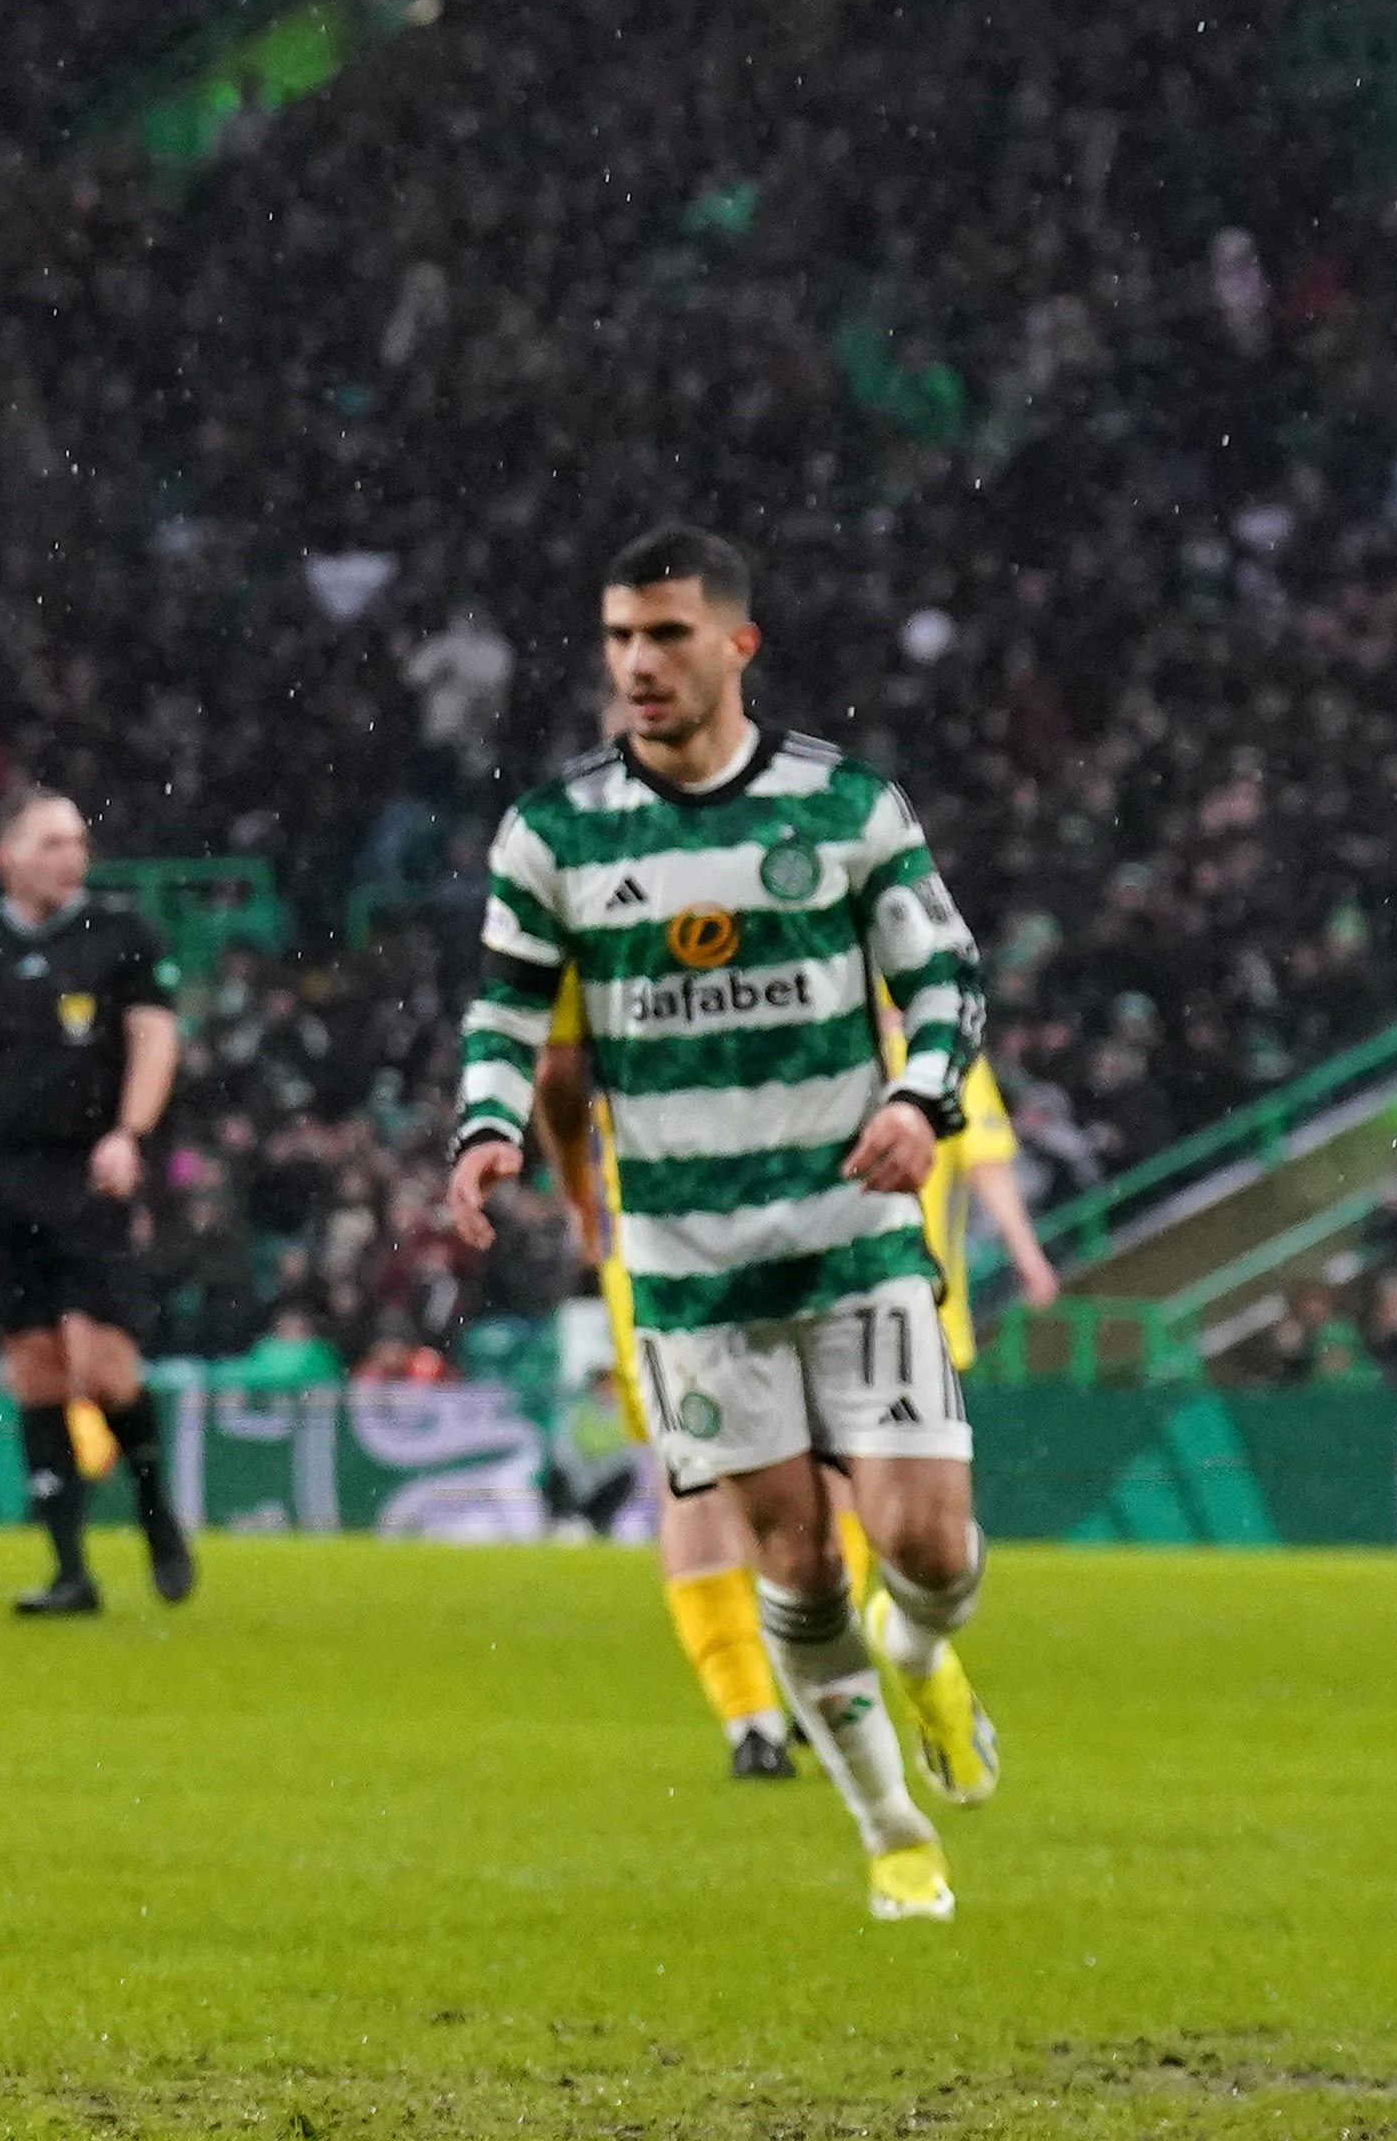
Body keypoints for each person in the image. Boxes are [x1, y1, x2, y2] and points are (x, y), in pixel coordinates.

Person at [447, 525, 1001, 1922]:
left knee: (923, 1545)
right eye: (619, 637)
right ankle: (889, 1834)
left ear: (735, 645)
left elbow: (946, 980)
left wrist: (919, 1101)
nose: (637, 663)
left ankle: (923, 1653)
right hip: (688, 1267)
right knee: (795, 1558)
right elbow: (506, 1014)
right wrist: (484, 1125)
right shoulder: (553, 834)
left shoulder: (843, 808)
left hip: (851, 1235)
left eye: (666, 635)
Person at [535, 965, 1054, 1784]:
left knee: (735, 1482)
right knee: (729, 1480)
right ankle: (771, 1707)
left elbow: (562, 1072)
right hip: (730, 1261)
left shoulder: (650, 935)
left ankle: (789, 1698)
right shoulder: (819, 982)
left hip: (752, 1256)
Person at [0, 789, 186, 1614]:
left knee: (101, 1366)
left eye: (78, 841)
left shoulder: (122, 937)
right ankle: (69, 1570)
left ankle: (156, 1509)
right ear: (6, 855)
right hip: (1, 1178)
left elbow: (154, 1037)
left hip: (88, 1173)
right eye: (51, 842)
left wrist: (131, 1131)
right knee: (36, 1372)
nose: (70, 856)